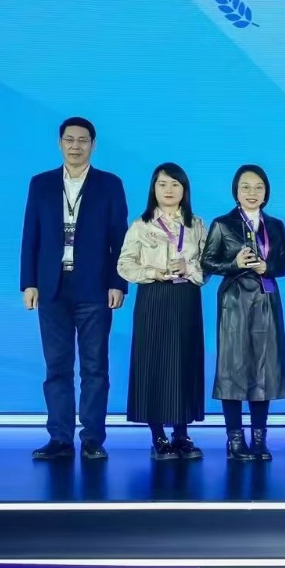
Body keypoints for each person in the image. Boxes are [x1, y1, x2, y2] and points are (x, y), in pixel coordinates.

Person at [20, 117, 129, 461]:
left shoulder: (110, 184)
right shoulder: (41, 184)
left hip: (95, 288)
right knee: (57, 367)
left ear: (93, 145)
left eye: (83, 140)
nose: (75, 146)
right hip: (51, 288)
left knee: (95, 368)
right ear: (60, 143)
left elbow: (119, 237)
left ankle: (93, 439)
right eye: (69, 139)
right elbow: (30, 235)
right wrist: (28, 282)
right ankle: (60, 439)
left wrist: (118, 283)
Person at [202, 165, 285, 462]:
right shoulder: (222, 224)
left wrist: (268, 267)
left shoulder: (276, 225)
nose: (252, 193)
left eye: (258, 187)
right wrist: (235, 264)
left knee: (263, 369)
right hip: (234, 301)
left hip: (266, 300)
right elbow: (207, 262)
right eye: (245, 187)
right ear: (236, 191)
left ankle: (259, 438)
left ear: (266, 192)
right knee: (232, 369)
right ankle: (234, 439)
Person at [117, 163, 209, 460]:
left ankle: (182, 434)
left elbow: (209, 264)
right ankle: (158, 436)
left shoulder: (197, 224)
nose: (169, 190)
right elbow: (124, 264)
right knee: (153, 364)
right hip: (153, 298)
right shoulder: (141, 225)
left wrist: (189, 267)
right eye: (162, 184)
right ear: (153, 189)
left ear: (184, 189)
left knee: (184, 363)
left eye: (175, 184)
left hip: (186, 298)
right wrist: (153, 272)